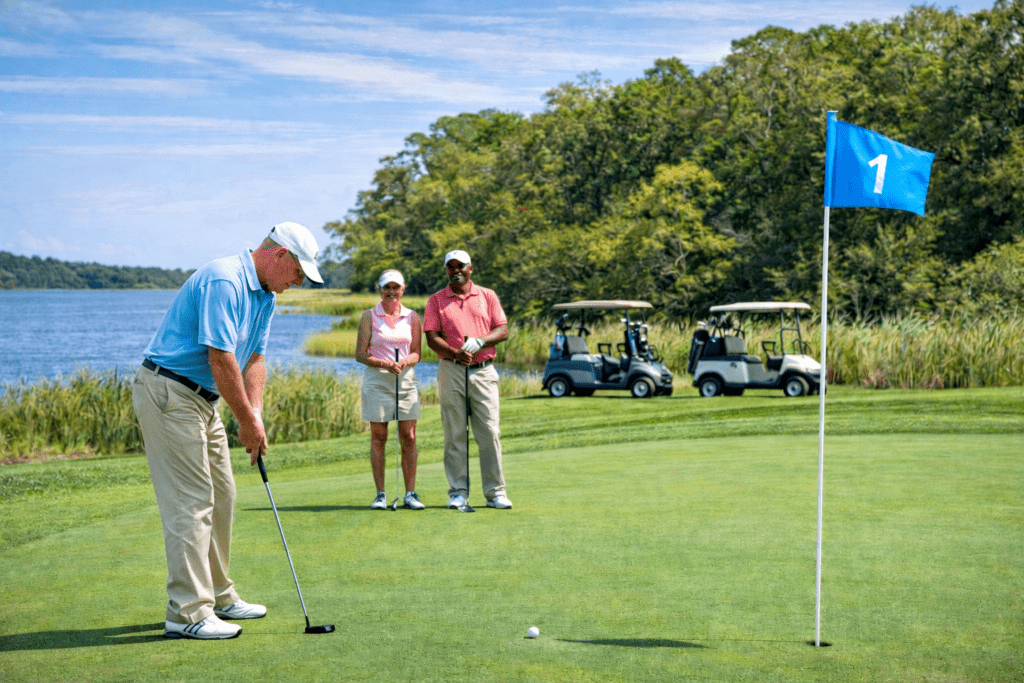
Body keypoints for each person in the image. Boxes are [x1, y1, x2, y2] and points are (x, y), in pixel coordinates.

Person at [132, 221, 322, 640]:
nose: (298, 281)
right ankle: (187, 612)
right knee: (191, 501)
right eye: (297, 272)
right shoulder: (225, 280)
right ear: (280, 256)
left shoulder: (266, 296)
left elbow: (253, 358)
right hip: (170, 391)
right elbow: (220, 357)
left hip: (204, 399)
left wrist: (254, 414)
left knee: (223, 495)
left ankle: (217, 594)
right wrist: (246, 421)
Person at [424, 249, 512, 510]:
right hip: (451, 370)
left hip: (483, 370)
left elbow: (503, 329)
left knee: (489, 431)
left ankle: (495, 492)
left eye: (460, 265)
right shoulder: (436, 300)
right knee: (454, 433)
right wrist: (454, 353)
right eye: (450, 266)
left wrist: (480, 341)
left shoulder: (488, 296)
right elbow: (431, 336)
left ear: (470, 268)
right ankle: (458, 492)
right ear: (446, 270)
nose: (455, 270)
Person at [355, 269, 424, 510]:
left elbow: (417, 352)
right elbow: (361, 354)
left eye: (396, 288)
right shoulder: (368, 316)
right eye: (387, 288)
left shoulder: (412, 317)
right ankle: (381, 494)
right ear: (380, 290)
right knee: (379, 437)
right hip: (377, 380)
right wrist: (385, 363)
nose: (391, 292)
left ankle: (411, 493)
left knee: (409, 436)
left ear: (403, 289)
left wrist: (405, 361)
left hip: (405, 381)